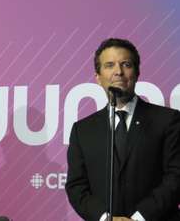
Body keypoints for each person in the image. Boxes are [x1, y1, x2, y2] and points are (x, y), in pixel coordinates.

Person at [65, 38, 180, 221]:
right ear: (98, 77)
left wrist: (139, 218)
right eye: (109, 65)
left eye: (126, 64)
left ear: (137, 73)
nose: (118, 72)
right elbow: (76, 186)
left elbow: (175, 177)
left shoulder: (168, 120)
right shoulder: (82, 130)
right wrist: (105, 218)